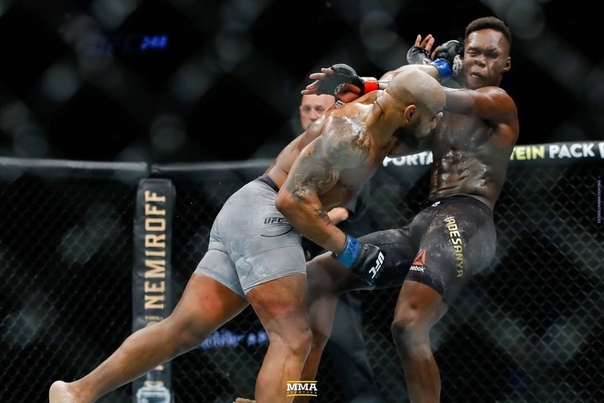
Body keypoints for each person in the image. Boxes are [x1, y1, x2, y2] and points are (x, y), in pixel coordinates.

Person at [49, 67, 446, 403]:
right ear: (410, 112)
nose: (436, 127)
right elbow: (291, 201)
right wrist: (351, 250)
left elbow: (403, 79)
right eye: (432, 119)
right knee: (293, 338)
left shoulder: (387, 103)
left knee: (184, 330)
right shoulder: (350, 136)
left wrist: (439, 66)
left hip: (247, 212)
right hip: (270, 215)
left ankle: (76, 393)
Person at [294, 16, 519, 403]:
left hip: (468, 221)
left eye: (491, 54)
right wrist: (365, 89)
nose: (481, 61)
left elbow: (422, 90)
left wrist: (425, 68)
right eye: (473, 53)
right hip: (424, 222)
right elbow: (398, 118)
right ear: (463, 56)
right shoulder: (438, 114)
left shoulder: (499, 102)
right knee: (316, 277)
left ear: (506, 63)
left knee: (408, 324)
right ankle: (299, 394)